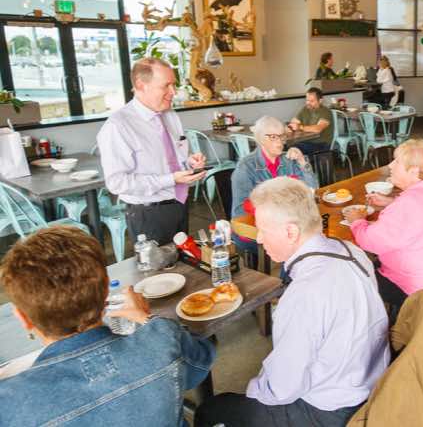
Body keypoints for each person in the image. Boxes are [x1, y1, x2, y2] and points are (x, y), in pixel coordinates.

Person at [195, 177, 389, 427]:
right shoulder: (352, 251)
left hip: (332, 410)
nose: (259, 239)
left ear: (291, 232)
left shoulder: (304, 293)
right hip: (373, 380)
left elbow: (282, 389)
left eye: (263, 230)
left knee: (212, 410)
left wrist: (255, 392)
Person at [0, 226, 215, 426]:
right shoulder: (163, 338)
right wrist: (146, 318)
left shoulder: (10, 401)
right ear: (105, 291)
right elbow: (201, 363)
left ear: (23, 318)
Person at [343, 139, 423, 312]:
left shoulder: (409, 205)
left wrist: (357, 220)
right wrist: (392, 201)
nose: (390, 165)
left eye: (397, 162)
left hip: (422, 290)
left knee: (350, 276)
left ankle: (370, 325)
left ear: (414, 171)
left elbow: (370, 242)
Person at [97, 57, 206, 245]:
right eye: (166, 86)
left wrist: (189, 162)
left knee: (183, 260)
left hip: (179, 204)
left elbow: (171, 158)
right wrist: (171, 179)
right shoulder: (118, 126)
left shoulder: (170, 114)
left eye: (174, 85)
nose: (173, 92)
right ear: (141, 85)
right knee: (159, 264)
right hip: (148, 213)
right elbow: (117, 183)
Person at [231, 116, 319, 261]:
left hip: (288, 223)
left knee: (311, 237)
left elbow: (312, 189)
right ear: (260, 139)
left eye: (282, 136)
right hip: (255, 229)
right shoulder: (246, 167)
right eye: (273, 137)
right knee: (302, 243)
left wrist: (302, 161)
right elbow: (240, 212)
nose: (280, 142)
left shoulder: (289, 161)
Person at [289, 87, 333, 156]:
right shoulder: (305, 109)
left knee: (294, 148)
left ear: (320, 101)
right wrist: (290, 127)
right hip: (306, 141)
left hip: (321, 144)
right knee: (286, 146)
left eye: (312, 101)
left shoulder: (326, 112)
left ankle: (301, 162)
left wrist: (300, 127)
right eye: (307, 100)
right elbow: (294, 122)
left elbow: (317, 129)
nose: (308, 103)